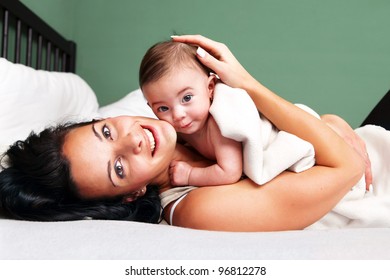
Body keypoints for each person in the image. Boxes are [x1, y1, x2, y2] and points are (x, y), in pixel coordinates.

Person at [1, 35, 388, 231]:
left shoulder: (186, 127)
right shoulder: (197, 209)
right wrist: (249, 84)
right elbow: (348, 167)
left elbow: (291, 134)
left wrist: (333, 122)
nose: (133, 139)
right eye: (118, 168)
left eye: (105, 131)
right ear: (130, 195)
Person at [140, 41, 316, 187]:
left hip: (282, 140)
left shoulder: (219, 125)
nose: (177, 114)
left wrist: (190, 175)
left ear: (210, 88)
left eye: (186, 98)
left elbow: (229, 172)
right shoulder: (176, 130)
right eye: (163, 108)